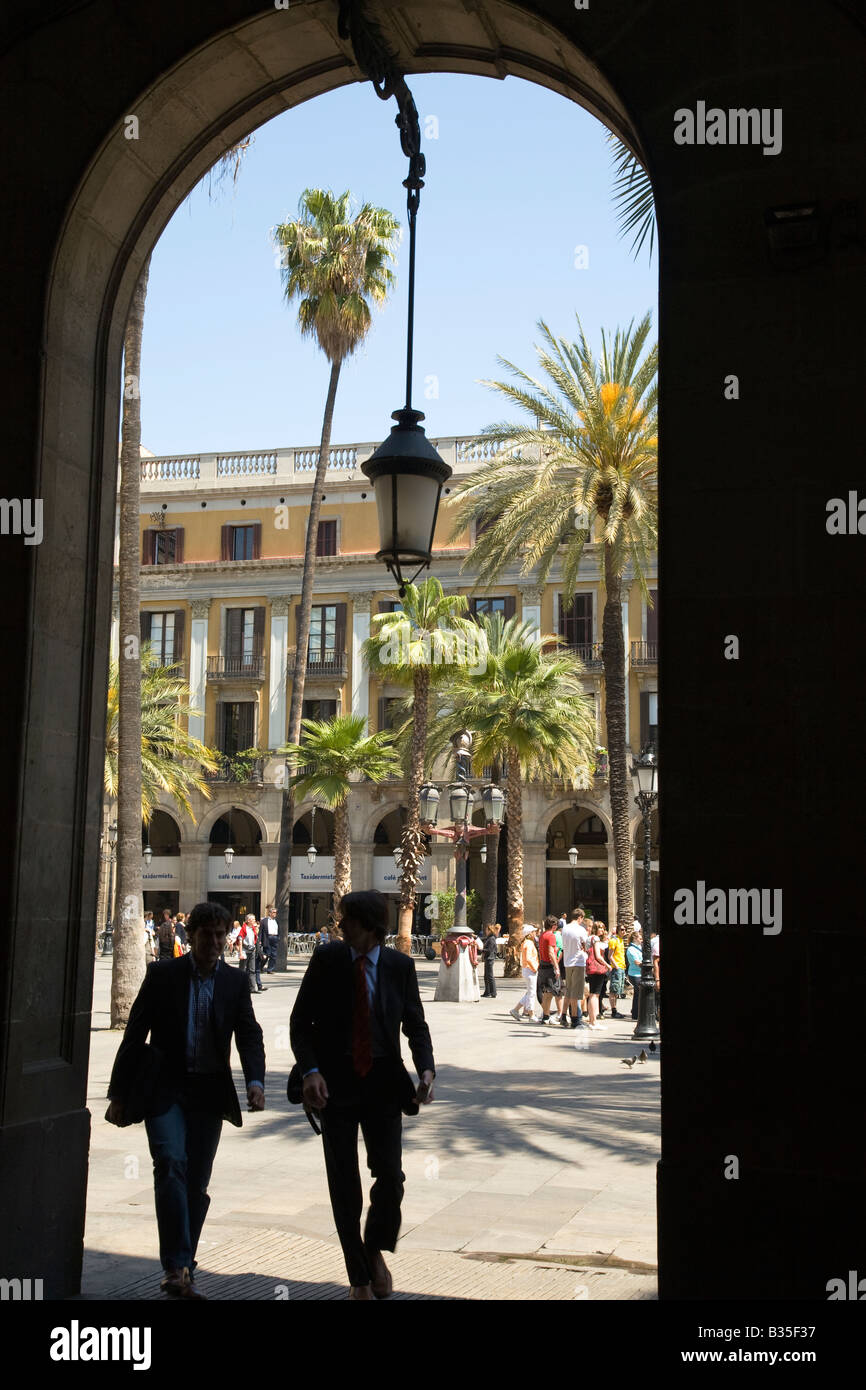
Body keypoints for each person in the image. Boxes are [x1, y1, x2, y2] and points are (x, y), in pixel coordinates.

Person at [106, 901, 265, 1299]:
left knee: (196, 1182)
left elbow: (248, 1033)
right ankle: (176, 1266)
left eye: (219, 934)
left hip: (209, 1092)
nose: (213, 942)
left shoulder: (234, 982)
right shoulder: (163, 976)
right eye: (205, 934)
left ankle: (184, 1267)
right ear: (190, 935)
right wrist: (119, 1094)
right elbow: (134, 1034)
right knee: (171, 1163)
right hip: (165, 1088)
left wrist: (256, 1081)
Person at [290, 890, 434, 1300]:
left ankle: (372, 1251)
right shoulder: (327, 960)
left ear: (370, 925)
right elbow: (301, 1023)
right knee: (343, 1183)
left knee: (390, 1176)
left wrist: (425, 1069)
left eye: (348, 919)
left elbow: (415, 1026)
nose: (341, 926)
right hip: (333, 1085)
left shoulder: (399, 967)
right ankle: (358, 1278)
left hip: (384, 1084)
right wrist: (311, 1071)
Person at [561, 908, 588, 1029]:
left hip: (567, 961)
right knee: (576, 993)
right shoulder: (581, 929)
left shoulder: (565, 928)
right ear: (580, 917)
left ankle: (563, 1014)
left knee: (569, 989)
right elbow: (585, 944)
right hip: (578, 961)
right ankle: (575, 1018)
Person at [536, 915, 562, 1024]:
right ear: (553, 925)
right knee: (557, 991)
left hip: (542, 965)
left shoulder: (542, 935)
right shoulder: (551, 936)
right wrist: (556, 968)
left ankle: (545, 1016)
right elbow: (551, 953)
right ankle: (559, 1015)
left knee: (547, 992)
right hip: (549, 966)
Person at [510, 925, 539, 1021]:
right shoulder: (529, 943)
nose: (535, 933)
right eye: (533, 931)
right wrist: (534, 968)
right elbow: (528, 958)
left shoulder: (526, 943)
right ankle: (531, 1014)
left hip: (528, 969)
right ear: (529, 933)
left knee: (530, 992)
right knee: (531, 993)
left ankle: (516, 1009)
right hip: (530, 969)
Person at [584, 923, 611, 1029]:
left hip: (590, 969)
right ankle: (593, 1021)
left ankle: (592, 1020)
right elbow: (598, 956)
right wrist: (607, 965)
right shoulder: (595, 939)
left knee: (592, 994)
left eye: (603, 928)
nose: (602, 930)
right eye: (600, 928)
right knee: (595, 995)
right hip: (597, 969)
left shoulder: (589, 938)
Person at [607, 924, 627, 1019]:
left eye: (625, 929)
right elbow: (610, 956)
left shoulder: (621, 940)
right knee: (613, 990)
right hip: (617, 968)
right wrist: (617, 966)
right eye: (622, 929)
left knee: (617, 991)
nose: (624, 931)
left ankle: (615, 1010)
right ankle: (613, 1011)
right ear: (618, 930)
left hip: (621, 968)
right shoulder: (613, 940)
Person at [626, 928, 643, 1020]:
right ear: (635, 939)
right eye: (640, 938)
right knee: (638, 993)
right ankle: (635, 1013)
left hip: (640, 973)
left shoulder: (639, 948)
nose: (641, 940)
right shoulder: (631, 949)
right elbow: (637, 962)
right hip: (635, 974)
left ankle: (636, 1012)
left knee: (638, 993)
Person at [481, 923, 500, 998]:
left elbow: (489, 950)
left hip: (490, 958)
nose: (485, 931)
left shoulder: (491, 939)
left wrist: (481, 950)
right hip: (488, 958)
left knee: (490, 976)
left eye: (486, 930)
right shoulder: (490, 938)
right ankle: (487, 992)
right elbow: (483, 939)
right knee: (486, 976)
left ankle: (493, 992)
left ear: (489, 930)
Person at [260, 904, 279, 973]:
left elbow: (279, 930)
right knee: (267, 954)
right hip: (267, 938)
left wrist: (278, 937)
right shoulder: (264, 921)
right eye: (274, 912)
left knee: (274, 955)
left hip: (275, 937)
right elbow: (260, 931)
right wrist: (260, 940)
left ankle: (270, 969)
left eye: (276, 912)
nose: (275, 914)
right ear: (270, 913)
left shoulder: (276, 921)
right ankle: (260, 966)